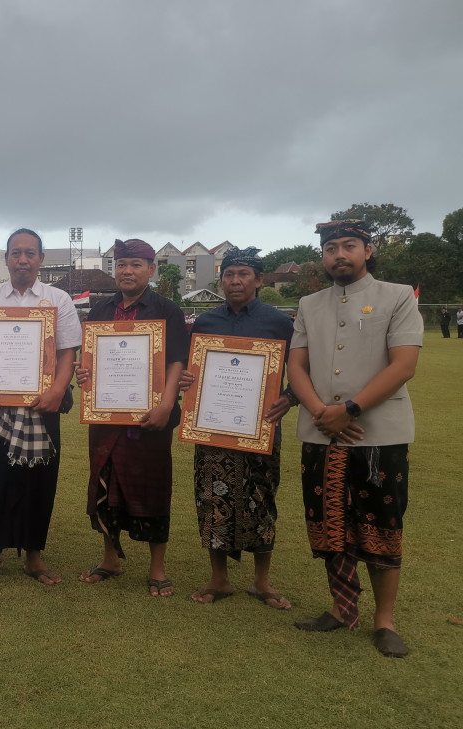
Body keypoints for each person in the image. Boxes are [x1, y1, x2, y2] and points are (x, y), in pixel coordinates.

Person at [287, 219, 423, 658]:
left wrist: (349, 409)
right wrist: (320, 413)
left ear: (368, 250)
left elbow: (403, 366)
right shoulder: (309, 303)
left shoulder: (398, 296)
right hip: (320, 434)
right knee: (330, 525)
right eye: (331, 248)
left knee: (382, 526)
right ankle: (342, 608)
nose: (339, 254)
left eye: (349, 246)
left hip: (378, 435)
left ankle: (385, 620)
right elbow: (296, 366)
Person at [0, 228, 81, 586]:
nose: (23, 259)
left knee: (39, 481)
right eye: (16, 253)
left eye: (30, 253)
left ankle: (34, 556)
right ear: (6, 259)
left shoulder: (58, 300)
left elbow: (67, 352)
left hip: (41, 406)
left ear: (41, 259)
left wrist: (58, 390)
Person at [179, 247, 295, 609]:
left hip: (259, 428)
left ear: (258, 280)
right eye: (229, 274)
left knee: (262, 500)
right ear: (221, 280)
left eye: (244, 274)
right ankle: (220, 579)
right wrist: (186, 379)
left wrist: (290, 397)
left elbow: (305, 370)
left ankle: (262, 582)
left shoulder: (280, 323)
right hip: (212, 428)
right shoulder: (205, 323)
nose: (235, 281)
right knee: (212, 499)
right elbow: (192, 371)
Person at [74, 239, 187, 597]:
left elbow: (176, 362)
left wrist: (167, 405)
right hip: (107, 415)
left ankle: (157, 568)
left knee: (153, 485)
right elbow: (90, 362)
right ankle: (110, 559)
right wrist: (85, 376)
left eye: (136, 264)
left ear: (151, 270)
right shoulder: (100, 310)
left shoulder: (166, 309)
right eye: (122, 264)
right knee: (106, 485)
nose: (127, 271)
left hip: (151, 416)